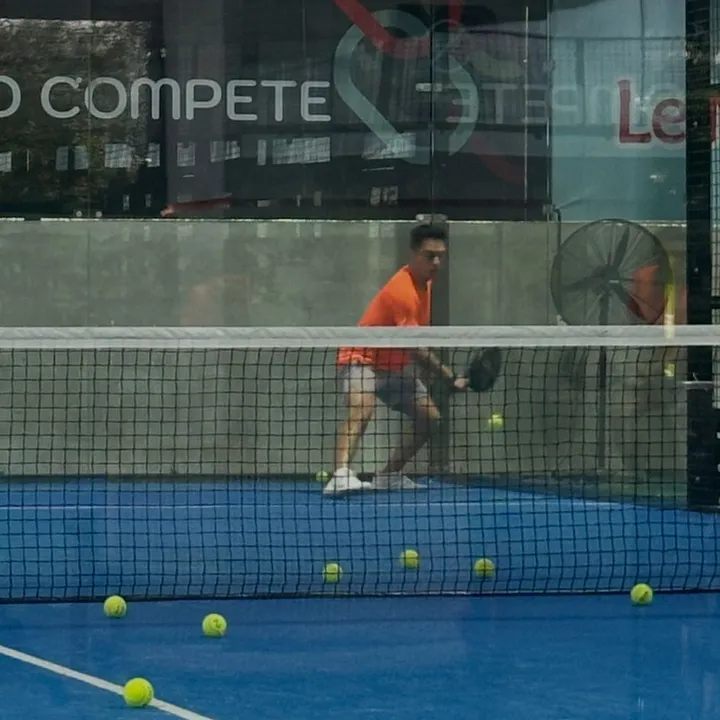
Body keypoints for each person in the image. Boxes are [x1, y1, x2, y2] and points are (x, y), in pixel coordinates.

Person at [324, 218, 468, 497]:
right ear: (413, 254)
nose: (436, 262)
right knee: (362, 408)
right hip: (361, 357)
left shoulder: (426, 285)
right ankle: (340, 475)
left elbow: (413, 341)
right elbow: (414, 347)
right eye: (429, 256)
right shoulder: (402, 291)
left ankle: (388, 475)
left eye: (440, 256)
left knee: (430, 419)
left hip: (393, 366)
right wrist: (450, 377)